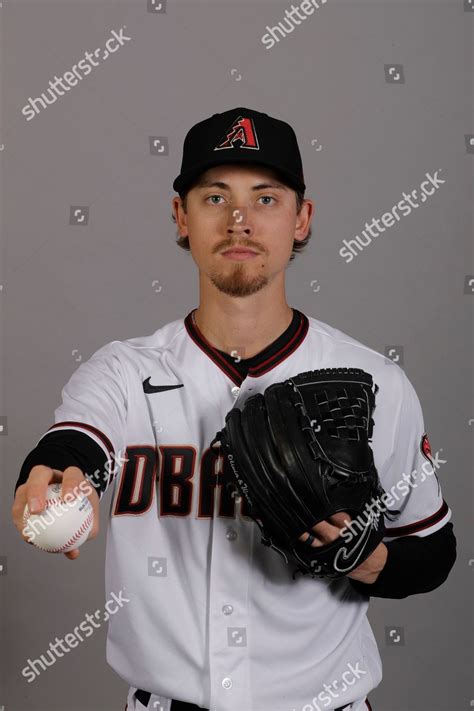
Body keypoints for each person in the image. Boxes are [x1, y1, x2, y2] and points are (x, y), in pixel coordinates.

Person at [12, 107, 456, 711]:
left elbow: (433, 550)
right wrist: (61, 476)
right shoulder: (121, 370)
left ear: (302, 219)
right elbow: (75, 443)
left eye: (266, 199)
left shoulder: (376, 383)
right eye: (215, 197)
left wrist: (366, 557)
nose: (239, 221)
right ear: (180, 217)